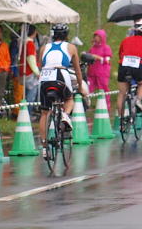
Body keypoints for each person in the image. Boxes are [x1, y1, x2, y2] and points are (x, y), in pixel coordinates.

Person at [37, 23, 85, 156]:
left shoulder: (44, 47)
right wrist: (80, 87)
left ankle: (44, 146)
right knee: (69, 99)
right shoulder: (71, 47)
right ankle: (65, 115)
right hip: (61, 75)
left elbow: (41, 65)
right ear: (67, 35)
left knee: (44, 113)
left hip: (45, 77)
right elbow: (78, 70)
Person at [116, 20, 142, 117]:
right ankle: (137, 100)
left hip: (123, 64)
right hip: (137, 64)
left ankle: (121, 118)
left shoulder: (126, 40)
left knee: (122, 93)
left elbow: (120, 54)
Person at [85, 29, 112, 104]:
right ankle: (86, 105)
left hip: (102, 73)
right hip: (92, 72)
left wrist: (97, 57)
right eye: (95, 36)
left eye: (98, 36)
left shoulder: (106, 48)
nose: (96, 38)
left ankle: (106, 106)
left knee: (103, 89)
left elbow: (107, 60)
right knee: (88, 88)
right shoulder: (92, 48)